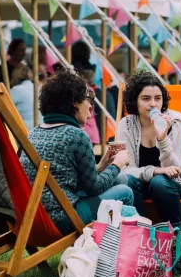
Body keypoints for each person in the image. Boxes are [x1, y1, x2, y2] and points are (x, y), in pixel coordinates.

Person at [20, 69, 133, 235]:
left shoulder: (34, 133)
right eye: (87, 99)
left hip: (33, 217)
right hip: (63, 217)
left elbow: (66, 178)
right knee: (125, 191)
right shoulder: (76, 136)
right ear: (74, 102)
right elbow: (94, 188)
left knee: (121, 178)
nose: (90, 106)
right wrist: (118, 163)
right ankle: (119, 247)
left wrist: (102, 165)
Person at [116, 72, 181, 230]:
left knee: (159, 182)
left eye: (157, 98)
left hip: (172, 186)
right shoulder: (126, 124)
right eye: (146, 98)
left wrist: (162, 139)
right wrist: (155, 171)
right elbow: (127, 169)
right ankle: (141, 232)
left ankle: (173, 234)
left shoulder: (174, 122)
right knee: (127, 181)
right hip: (140, 186)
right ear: (135, 101)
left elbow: (176, 170)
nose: (153, 104)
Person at [10, 64, 38, 132]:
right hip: (40, 128)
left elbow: (4, 109)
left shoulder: (16, 90)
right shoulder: (38, 88)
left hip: (25, 131)